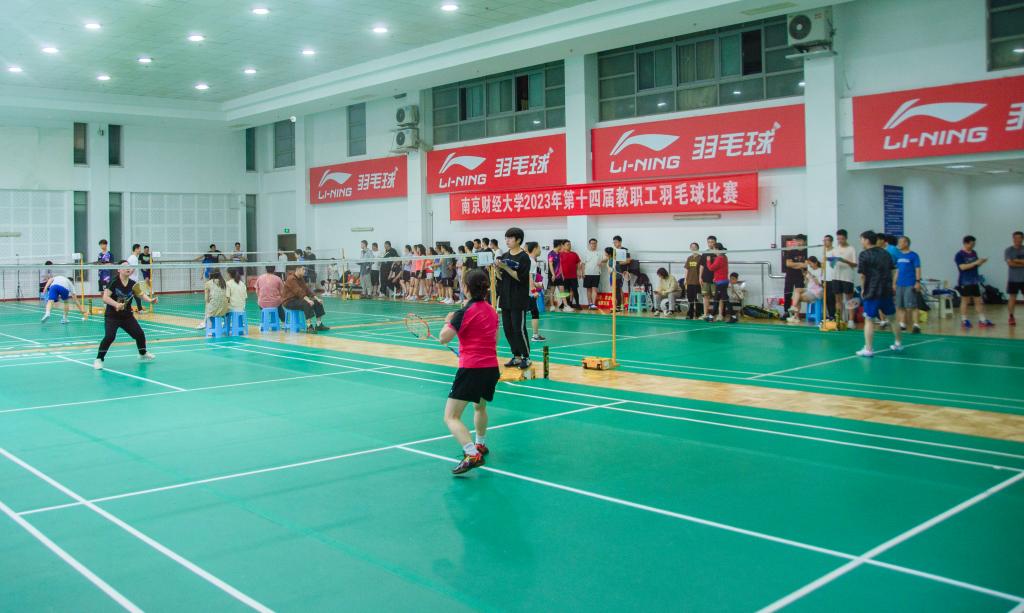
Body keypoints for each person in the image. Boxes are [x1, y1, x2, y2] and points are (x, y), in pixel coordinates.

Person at [438, 268, 499, 475]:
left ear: (465, 288)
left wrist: (449, 320)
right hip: (491, 368)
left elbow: (443, 338)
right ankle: (480, 443)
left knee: (451, 417)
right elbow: (495, 339)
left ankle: (472, 453)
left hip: (472, 369)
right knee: (479, 407)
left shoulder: (462, 313)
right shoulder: (492, 310)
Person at [93, 261, 158, 370]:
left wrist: (150, 300)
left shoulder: (133, 283)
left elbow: (141, 295)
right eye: (124, 267)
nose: (128, 268)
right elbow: (105, 298)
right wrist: (116, 304)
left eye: (129, 267)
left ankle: (142, 354)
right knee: (109, 337)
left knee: (139, 334)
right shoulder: (114, 282)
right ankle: (99, 359)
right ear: (119, 269)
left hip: (127, 316)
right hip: (112, 316)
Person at [856, 230, 903, 357]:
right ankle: (898, 343)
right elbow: (894, 271)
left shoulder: (864, 254)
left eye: (861, 239)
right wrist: (892, 285)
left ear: (867, 240)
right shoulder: (885, 253)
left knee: (869, 320)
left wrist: (863, 289)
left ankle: (868, 349)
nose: (861, 242)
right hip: (886, 290)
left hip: (872, 291)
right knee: (893, 318)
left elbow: (862, 275)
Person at [495, 227, 533, 370]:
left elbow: (520, 278)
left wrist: (506, 267)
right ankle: (516, 356)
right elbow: (501, 278)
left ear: (518, 240)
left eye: (510, 238)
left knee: (519, 329)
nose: (507, 241)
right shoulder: (505, 255)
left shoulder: (524, 257)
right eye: (506, 238)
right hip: (505, 298)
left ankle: (526, 357)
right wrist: (497, 269)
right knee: (508, 329)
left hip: (518, 299)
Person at [955, 235, 993, 328]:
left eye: (974, 244)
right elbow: (962, 267)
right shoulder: (959, 255)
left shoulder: (974, 253)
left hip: (974, 280)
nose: (973, 246)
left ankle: (982, 320)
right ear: (965, 243)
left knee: (978, 300)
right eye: (971, 244)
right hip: (965, 281)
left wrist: (981, 262)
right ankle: (964, 320)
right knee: (965, 300)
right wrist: (975, 262)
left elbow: (975, 265)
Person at [282, 265, 329, 333]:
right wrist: (308, 300)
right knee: (306, 303)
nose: (304, 271)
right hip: (289, 302)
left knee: (317, 302)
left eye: (305, 270)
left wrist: (317, 298)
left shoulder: (301, 278)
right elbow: (298, 291)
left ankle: (319, 324)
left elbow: (307, 290)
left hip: (297, 300)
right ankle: (309, 326)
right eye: (303, 269)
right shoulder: (291, 279)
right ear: (298, 269)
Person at [830, 230, 858, 328]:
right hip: (836, 276)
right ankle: (839, 319)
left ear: (846, 238)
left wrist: (844, 261)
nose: (840, 241)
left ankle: (851, 320)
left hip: (847, 277)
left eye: (842, 239)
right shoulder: (835, 250)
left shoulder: (851, 249)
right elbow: (832, 265)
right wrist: (831, 261)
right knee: (838, 299)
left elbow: (855, 264)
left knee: (849, 299)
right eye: (838, 239)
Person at [894, 236, 922, 334]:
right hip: (899, 284)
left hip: (910, 283)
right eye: (898, 242)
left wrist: (917, 282)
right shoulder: (899, 256)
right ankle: (902, 324)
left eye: (901, 242)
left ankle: (916, 325)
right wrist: (894, 283)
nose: (899, 244)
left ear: (906, 243)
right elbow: (897, 271)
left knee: (912, 306)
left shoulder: (914, 255)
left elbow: (917, 269)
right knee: (900, 305)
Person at [788, 256, 823, 323]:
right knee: (796, 290)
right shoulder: (810, 269)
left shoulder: (820, 271)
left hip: (817, 291)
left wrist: (812, 276)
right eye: (808, 264)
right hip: (809, 289)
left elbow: (819, 284)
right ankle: (794, 308)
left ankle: (795, 316)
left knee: (797, 297)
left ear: (815, 263)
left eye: (810, 263)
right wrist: (804, 274)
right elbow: (807, 281)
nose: (809, 265)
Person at [526, 242, 546, 341]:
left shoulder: (529, 260)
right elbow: (529, 278)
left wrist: (537, 284)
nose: (540, 250)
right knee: (534, 313)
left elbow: (528, 278)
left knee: (533, 312)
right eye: (539, 248)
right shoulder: (532, 262)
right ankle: (535, 335)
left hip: (525, 291)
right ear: (534, 249)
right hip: (528, 293)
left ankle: (535, 335)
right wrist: (534, 291)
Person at [784, 234, 808, 312]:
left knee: (798, 295)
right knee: (787, 293)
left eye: (800, 241)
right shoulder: (791, 251)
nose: (798, 242)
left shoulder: (807, 251)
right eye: (797, 241)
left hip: (800, 276)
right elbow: (788, 264)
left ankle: (796, 314)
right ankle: (786, 312)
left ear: (804, 242)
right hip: (790, 275)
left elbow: (806, 265)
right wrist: (800, 264)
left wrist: (795, 265)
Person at [1005, 231, 1024, 326]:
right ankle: (1011, 317)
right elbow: (1010, 264)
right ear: (1013, 239)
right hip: (1013, 279)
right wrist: (1022, 262)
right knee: (1012, 298)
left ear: (1022, 239)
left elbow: (1013, 262)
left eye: (1019, 238)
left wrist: (1016, 260)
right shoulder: (1009, 250)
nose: (1017, 240)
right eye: (1015, 238)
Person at [707, 243, 730, 322]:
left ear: (717, 249)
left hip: (721, 282)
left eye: (714, 248)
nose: (713, 250)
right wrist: (715, 277)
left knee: (725, 299)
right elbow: (721, 269)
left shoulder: (719, 258)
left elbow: (711, 268)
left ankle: (733, 316)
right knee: (716, 299)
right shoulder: (724, 257)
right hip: (722, 280)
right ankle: (711, 316)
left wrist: (708, 261)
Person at [559, 240, 582, 311]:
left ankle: (577, 304)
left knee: (575, 290)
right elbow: (558, 265)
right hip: (564, 277)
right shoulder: (560, 254)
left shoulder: (574, 254)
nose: (569, 246)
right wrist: (560, 274)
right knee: (566, 291)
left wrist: (579, 271)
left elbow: (578, 263)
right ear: (563, 246)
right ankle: (566, 304)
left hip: (573, 276)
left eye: (570, 244)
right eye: (567, 244)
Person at [698, 235, 717, 320]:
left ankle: (716, 314)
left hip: (715, 279)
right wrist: (700, 277)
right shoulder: (705, 253)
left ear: (715, 243)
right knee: (705, 297)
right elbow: (701, 266)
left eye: (712, 242)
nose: (710, 243)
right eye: (709, 242)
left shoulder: (718, 253)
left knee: (717, 297)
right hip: (705, 278)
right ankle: (705, 314)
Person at [582, 238, 603, 310]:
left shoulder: (600, 253)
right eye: (592, 243)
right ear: (589, 244)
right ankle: (590, 304)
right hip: (587, 273)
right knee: (588, 289)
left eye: (595, 243)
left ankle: (593, 304)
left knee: (595, 289)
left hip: (596, 274)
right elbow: (583, 264)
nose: (593, 245)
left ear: (596, 244)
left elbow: (605, 260)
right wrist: (583, 272)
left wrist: (602, 263)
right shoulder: (586, 253)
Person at [611, 235, 632, 311]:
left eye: (616, 242)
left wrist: (619, 262)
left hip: (621, 273)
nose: (615, 244)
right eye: (614, 242)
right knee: (617, 289)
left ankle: (619, 306)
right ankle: (620, 305)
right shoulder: (613, 251)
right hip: (614, 272)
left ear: (620, 242)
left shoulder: (624, 250)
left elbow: (629, 260)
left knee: (618, 288)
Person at [684, 243, 702, 319]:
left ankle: (699, 313)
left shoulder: (701, 258)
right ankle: (690, 313)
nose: (693, 248)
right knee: (690, 299)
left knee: (697, 298)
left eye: (695, 247)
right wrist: (685, 279)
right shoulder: (689, 258)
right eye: (692, 247)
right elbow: (686, 269)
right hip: (690, 281)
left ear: (698, 248)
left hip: (698, 282)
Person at [126, 243, 145, 313]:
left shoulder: (132, 257)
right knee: (135, 295)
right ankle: (138, 309)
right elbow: (132, 269)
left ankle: (137, 309)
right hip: (132, 280)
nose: (140, 250)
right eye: (139, 249)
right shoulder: (134, 258)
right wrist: (128, 275)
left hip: (132, 280)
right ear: (136, 249)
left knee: (135, 295)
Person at [547, 239, 563, 309]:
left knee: (562, 291)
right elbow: (550, 265)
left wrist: (562, 275)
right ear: (558, 245)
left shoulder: (559, 254)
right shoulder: (551, 254)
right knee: (552, 291)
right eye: (561, 245)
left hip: (559, 276)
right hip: (552, 276)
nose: (562, 247)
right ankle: (552, 306)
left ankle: (565, 305)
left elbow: (560, 265)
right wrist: (553, 274)